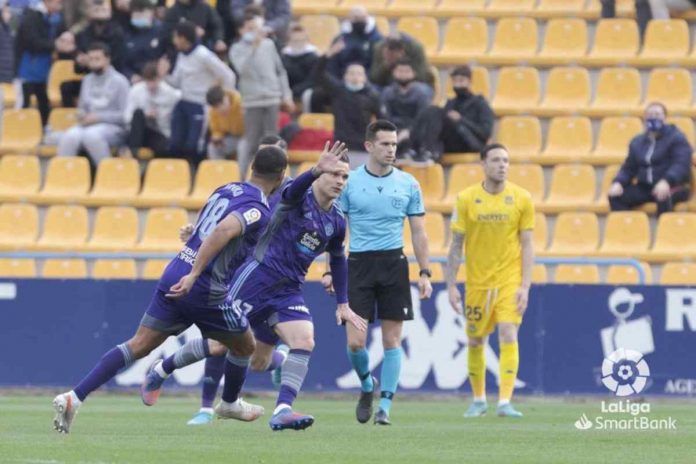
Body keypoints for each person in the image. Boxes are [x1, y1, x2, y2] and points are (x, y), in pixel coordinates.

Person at [52, 145, 289, 434]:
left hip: (175, 269)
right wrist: (195, 274)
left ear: (252, 166)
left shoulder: (227, 188)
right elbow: (224, 230)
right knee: (246, 345)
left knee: (137, 344)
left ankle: (74, 397)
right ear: (281, 177)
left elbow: (208, 224)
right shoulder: (258, 208)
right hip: (204, 285)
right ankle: (228, 403)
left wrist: (193, 240)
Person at [141, 135, 293, 427]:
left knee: (255, 354)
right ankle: (206, 404)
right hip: (239, 273)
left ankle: (279, 363)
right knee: (223, 342)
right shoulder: (247, 193)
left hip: (272, 277)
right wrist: (197, 235)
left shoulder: (290, 196)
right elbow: (220, 225)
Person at [216, 141, 367, 431]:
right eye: (334, 174)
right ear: (321, 173)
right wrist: (313, 170)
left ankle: (283, 409)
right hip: (257, 277)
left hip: (287, 289)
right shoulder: (298, 196)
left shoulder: (336, 220)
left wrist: (344, 304)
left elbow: (337, 259)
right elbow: (294, 190)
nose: (339, 181)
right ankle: (165, 367)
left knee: (304, 340)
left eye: (345, 177)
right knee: (218, 344)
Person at [330, 120, 432, 426]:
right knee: (355, 343)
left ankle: (385, 406)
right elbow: (336, 232)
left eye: (394, 144)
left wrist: (425, 271)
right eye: (385, 144)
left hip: (393, 264)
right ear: (369, 146)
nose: (391, 150)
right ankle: (366, 385)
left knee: (392, 340)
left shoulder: (408, 184)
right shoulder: (349, 182)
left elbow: (419, 232)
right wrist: (328, 271)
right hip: (358, 265)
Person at [445, 143, 535, 419]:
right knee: (475, 341)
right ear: (483, 164)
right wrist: (450, 285)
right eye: (496, 160)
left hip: (509, 281)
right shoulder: (466, 199)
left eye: (506, 160)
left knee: (508, 332)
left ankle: (505, 401)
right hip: (477, 283)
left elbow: (528, 243)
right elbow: (456, 245)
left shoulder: (522, 198)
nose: (502, 165)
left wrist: (525, 285)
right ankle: (479, 399)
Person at [160, 20, 236, 165]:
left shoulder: (203, 55)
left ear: (183, 38)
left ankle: (196, 175)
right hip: (183, 102)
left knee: (193, 145)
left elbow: (228, 75)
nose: (174, 40)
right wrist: (164, 75)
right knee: (174, 143)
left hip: (200, 104)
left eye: (176, 37)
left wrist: (222, 98)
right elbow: (177, 83)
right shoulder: (181, 55)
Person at [229, 12, 293, 180]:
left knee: (274, 139)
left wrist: (286, 94)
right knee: (251, 141)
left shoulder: (269, 44)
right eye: (249, 28)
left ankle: (278, 176)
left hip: (272, 97)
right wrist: (253, 48)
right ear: (241, 30)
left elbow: (280, 71)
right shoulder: (236, 49)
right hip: (252, 101)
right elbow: (242, 69)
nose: (253, 32)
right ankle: (244, 177)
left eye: (255, 28)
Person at [608, 102, 692, 216]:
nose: (653, 117)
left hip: (673, 185)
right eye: (650, 114)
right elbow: (629, 167)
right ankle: (631, 230)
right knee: (615, 196)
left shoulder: (676, 137)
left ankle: (662, 232)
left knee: (663, 196)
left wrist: (667, 181)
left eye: (657, 114)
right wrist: (618, 182)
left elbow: (681, 164)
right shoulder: (637, 142)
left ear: (664, 117)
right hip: (646, 187)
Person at [56, 41, 129, 165]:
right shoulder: (87, 80)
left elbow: (125, 116)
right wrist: (81, 116)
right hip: (87, 125)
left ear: (107, 59)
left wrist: (99, 117)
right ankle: (64, 177)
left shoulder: (120, 81)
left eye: (97, 59)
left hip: (114, 128)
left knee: (91, 136)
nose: (94, 62)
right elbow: (82, 108)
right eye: (91, 59)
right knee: (69, 136)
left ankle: (107, 175)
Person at [314, 40, 382, 167]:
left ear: (364, 77)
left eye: (359, 73)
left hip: (363, 147)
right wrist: (327, 55)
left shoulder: (372, 95)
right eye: (351, 73)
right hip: (342, 147)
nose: (355, 76)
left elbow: (382, 119)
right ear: (345, 76)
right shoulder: (338, 91)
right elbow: (318, 73)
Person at [408, 65, 494, 163]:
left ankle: (430, 152)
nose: (458, 85)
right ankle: (416, 150)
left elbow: (485, 132)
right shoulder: (450, 103)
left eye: (461, 81)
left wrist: (461, 120)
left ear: (469, 82)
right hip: (451, 142)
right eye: (455, 81)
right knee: (430, 110)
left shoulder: (480, 103)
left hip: (470, 143)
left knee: (435, 111)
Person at [14, 0, 67, 126]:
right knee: (24, 102)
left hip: (42, 70)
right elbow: (32, 41)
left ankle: (43, 130)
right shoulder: (31, 16)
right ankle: (19, 130)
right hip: (27, 69)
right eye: (58, 3)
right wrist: (54, 45)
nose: (60, 6)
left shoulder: (55, 18)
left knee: (43, 101)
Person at [123, 61, 180, 158]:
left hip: (159, 131)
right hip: (137, 132)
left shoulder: (171, 94)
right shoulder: (136, 90)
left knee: (164, 148)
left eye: (153, 81)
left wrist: (158, 116)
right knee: (138, 113)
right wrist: (146, 115)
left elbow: (171, 121)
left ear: (159, 78)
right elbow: (127, 117)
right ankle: (133, 152)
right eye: (148, 81)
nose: (151, 85)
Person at [380, 60, 433, 156]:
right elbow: (385, 116)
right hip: (394, 132)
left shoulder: (422, 93)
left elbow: (422, 117)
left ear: (414, 74)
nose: (403, 74)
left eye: (407, 71)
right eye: (400, 71)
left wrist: (409, 131)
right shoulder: (387, 92)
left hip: (416, 133)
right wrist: (396, 133)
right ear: (394, 73)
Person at [327, 5, 382, 79]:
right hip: (342, 82)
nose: (358, 21)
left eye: (361, 18)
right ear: (349, 19)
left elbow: (377, 66)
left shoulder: (377, 40)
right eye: (355, 18)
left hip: (369, 82)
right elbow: (333, 64)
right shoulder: (340, 40)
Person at [121, 0, 164, 82]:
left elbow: (168, 56)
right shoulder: (126, 34)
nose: (139, 16)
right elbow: (123, 63)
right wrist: (131, 76)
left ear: (151, 13)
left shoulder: (161, 31)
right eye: (136, 13)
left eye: (142, 12)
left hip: (159, 77)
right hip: (135, 80)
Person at [161, 0, 226, 55]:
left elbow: (217, 25)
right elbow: (167, 33)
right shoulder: (172, 11)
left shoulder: (204, 7)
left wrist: (218, 40)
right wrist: (188, 33)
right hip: (180, 53)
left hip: (203, 48)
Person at [281, 23, 319, 106]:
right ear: (289, 41)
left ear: (307, 40)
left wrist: (293, 91)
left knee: (309, 95)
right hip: (286, 90)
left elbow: (312, 80)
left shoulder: (313, 57)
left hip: (305, 89)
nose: (298, 43)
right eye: (295, 41)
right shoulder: (283, 57)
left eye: (301, 40)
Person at [205, 85, 244, 160]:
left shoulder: (242, 104)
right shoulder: (213, 112)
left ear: (226, 97)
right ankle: (220, 170)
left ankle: (243, 171)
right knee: (213, 148)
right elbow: (216, 130)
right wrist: (217, 137)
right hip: (233, 137)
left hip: (249, 138)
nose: (221, 109)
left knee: (243, 147)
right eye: (216, 107)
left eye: (222, 103)